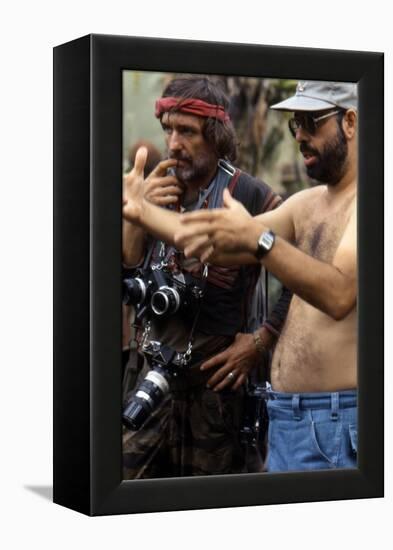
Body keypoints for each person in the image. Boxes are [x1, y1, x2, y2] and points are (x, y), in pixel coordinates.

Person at [175, 80, 358, 472]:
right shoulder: (306, 203)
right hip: (287, 419)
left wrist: (259, 239)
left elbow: (340, 294)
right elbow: (219, 242)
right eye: (296, 125)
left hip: (338, 421)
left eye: (311, 122)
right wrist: (136, 209)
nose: (301, 137)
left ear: (351, 123)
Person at [122, 76, 291, 478]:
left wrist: (260, 340)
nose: (174, 143)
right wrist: (135, 212)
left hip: (217, 395)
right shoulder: (154, 189)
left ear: (215, 136)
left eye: (187, 131)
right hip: (151, 381)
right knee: (122, 492)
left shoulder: (251, 196)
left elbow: (301, 277)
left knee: (210, 508)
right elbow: (127, 268)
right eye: (168, 130)